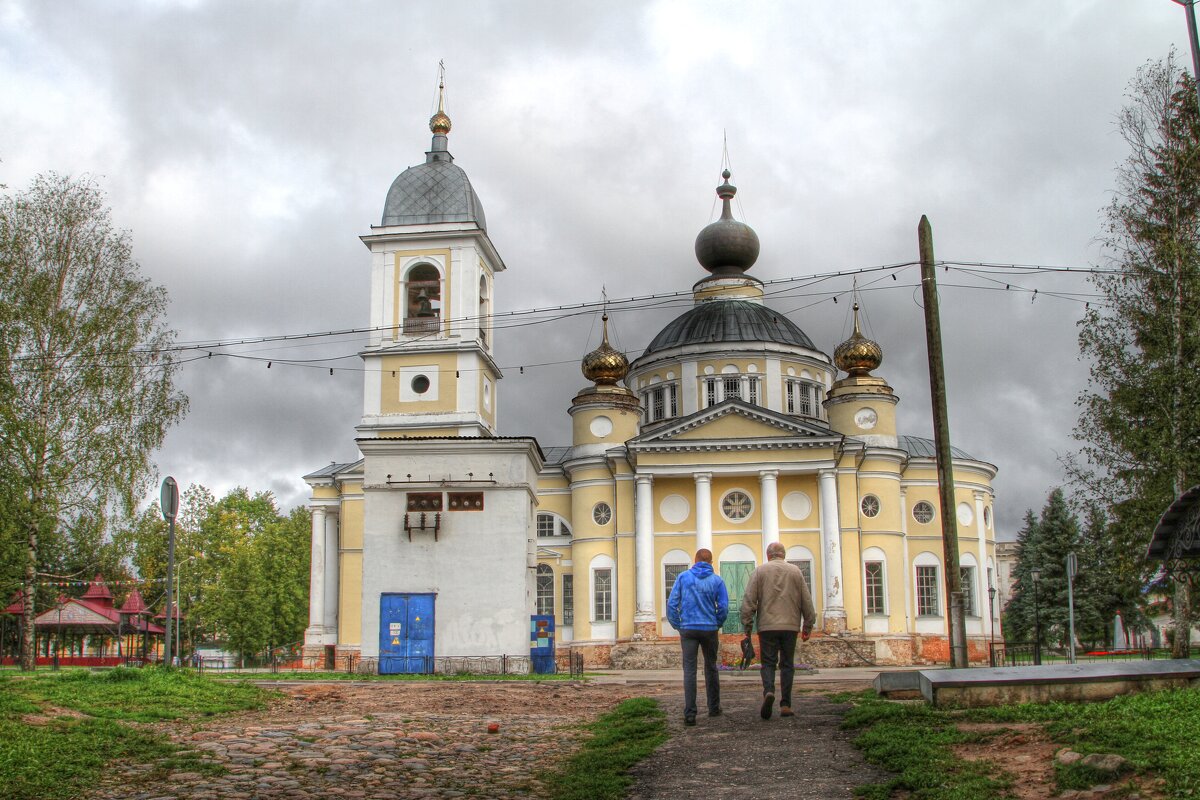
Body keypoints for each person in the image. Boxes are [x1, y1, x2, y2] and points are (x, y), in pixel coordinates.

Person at [741, 541, 816, 720]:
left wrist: (747, 625)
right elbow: (807, 601)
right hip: (790, 626)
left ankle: (768, 691)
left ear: (769, 555)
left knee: (768, 663)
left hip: (767, 626)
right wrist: (808, 625)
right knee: (787, 664)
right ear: (783, 555)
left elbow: (749, 601)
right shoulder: (796, 572)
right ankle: (786, 705)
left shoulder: (760, 571)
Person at [666, 548, 729, 726]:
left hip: (688, 629)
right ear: (711, 562)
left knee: (690, 671)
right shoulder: (717, 580)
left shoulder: (683, 578)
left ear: (695, 560)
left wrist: (677, 624)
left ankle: (690, 713)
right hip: (709, 629)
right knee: (711, 668)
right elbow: (723, 607)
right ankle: (714, 707)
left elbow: (672, 604)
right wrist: (717, 623)